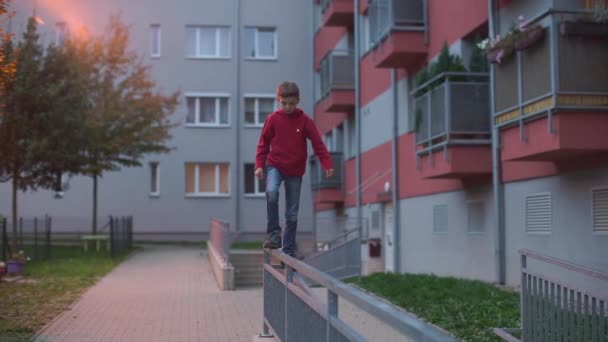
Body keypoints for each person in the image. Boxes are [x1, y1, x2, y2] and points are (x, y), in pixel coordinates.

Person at [255, 81, 334, 257]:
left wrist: (327, 163)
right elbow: (263, 144)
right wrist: (259, 165)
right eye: (284, 103)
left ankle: (288, 250)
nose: (288, 107)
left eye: (291, 104)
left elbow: (318, 144)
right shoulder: (273, 119)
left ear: (298, 101)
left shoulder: (305, 121)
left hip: (295, 172)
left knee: (292, 213)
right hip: (275, 165)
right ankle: (274, 233)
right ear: (279, 101)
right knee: (272, 192)